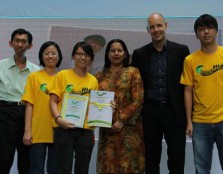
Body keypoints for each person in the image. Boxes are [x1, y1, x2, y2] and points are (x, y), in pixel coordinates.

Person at [131, 13, 190, 174]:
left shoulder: (181, 51)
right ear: (147, 30)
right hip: (150, 113)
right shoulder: (139, 54)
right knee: (151, 158)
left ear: (166, 25)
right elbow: (135, 86)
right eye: (152, 27)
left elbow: (188, 85)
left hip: (175, 112)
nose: (156, 30)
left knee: (177, 158)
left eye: (159, 25)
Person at [180, 14, 223, 174]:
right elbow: (188, 91)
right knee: (201, 169)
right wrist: (189, 122)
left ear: (216, 31)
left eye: (210, 28)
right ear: (196, 33)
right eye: (201, 29)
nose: (206, 32)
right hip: (200, 124)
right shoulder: (190, 60)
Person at [95, 39, 145, 174]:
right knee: (107, 166)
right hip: (107, 131)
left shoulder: (133, 72)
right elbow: (93, 101)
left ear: (125, 54)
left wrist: (121, 120)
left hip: (129, 130)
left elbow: (138, 99)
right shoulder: (100, 75)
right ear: (107, 54)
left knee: (128, 166)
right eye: (112, 50)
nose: (116, 53)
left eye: (119, 50)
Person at [49, 41, 98, 174]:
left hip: (85, 131)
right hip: (63, 128)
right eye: (79, 54)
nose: (83, 57)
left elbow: (95, 105)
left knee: (82, 169)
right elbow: (53, 101)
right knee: (63, 169)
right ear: (73, 56)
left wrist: (106, 106)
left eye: (87, 55)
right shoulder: (62, 75)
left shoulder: (93, 80)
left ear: (91, 58)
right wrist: (59, 119)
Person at [0, 28, 40, 174]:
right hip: (4, 114)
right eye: (17, 40)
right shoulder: (0, 66)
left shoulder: (36, 71)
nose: (20, 44)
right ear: (10, 43)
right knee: (3, 159)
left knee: (26, 161)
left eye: (24, 41)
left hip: (27, 116)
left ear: (30, 46)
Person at [22, 41, 63, 174]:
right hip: (38, 132)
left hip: (59, 131)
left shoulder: (64, 77)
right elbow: (29, 105)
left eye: (53, 53)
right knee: (36, 169)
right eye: (46, 53)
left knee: (55, 170)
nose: (50, 56)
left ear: (59, 56)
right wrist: (27, 131)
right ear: (41, 56)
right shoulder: (34, 76)